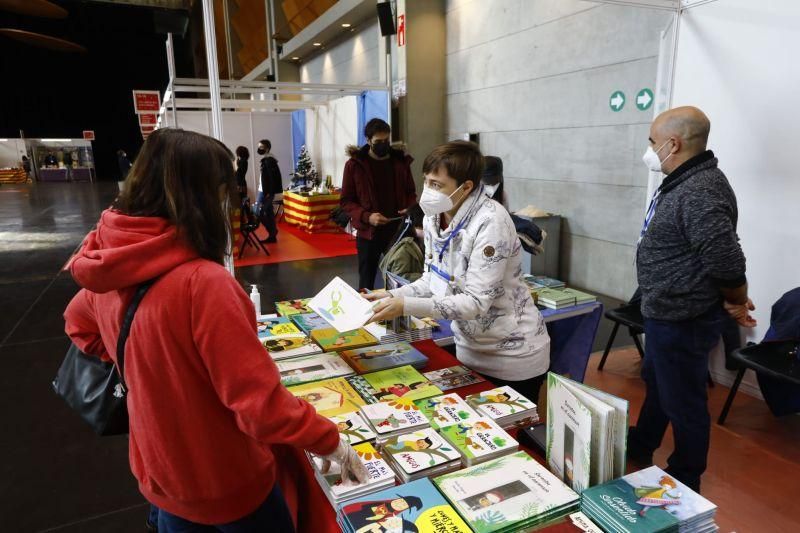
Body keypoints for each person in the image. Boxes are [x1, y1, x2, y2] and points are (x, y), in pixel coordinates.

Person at [63, 128, 367, 533]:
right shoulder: (201, 283)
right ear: (202, 194)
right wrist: (329, 440)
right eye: (226, 189)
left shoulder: (110, 258)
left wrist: (143, 370)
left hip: (160, 469)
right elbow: (258, 407)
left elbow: (78, 325)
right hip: (225, 480)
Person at [628, 106, 756, 493]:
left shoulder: (700, 190)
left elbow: (727, 261)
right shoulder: (682, 180)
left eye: (653, 142)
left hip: (683, 318)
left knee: (684, 401)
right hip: (664, 311)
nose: (649, 150)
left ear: (673, 143)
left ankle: (685, 477)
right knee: (660, 382)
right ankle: (643, 441)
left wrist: (737, 299)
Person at [367, 141, 550, 401]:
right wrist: (393, 297)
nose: (427, 191)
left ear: (466, 187)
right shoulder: (434, 215)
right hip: (468, 347)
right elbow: (432, 278)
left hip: (512, 356)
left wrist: (405, 305)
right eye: (426, 182)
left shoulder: (491, 222)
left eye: (436, 185)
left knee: (510, 437)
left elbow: (476, 302)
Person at [341, 118, 417, 290]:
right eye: (378, 142)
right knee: (366, 282)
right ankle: (367, 315)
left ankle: (397, 315)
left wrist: (409, 207)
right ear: (368, 141)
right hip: (369, 233)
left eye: (386, 141)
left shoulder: (400, 162)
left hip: (398, 230)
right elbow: (346, 201)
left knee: (399, 278)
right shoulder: (354, 165)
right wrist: (368, 216)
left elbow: (410, 192)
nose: (383, 145)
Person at [378, 203, 425, 283]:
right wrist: (427, 277)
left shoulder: (417, 242)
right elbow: (399, 278)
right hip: (405, 292)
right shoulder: (405, 249)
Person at [257, 139, 282, 243]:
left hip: (265, 192)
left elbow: (272, 178)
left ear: (267, 148)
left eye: (261, 147)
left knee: (258, 212)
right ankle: (272, 236)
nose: (259, 149)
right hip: (263, 190)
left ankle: (272, 231)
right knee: (269, 213)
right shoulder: (267, 159)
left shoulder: (269, 160)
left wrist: (269, 192)